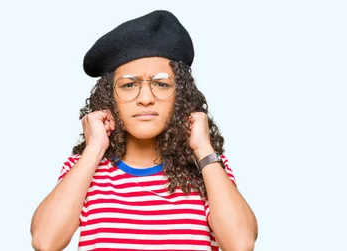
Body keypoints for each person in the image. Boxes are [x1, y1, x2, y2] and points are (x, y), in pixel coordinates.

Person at [30, 10, 258, 251]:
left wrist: (203, 149)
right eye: (129, 85)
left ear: (180, 95)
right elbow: (45, 241)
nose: (146, 98)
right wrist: (94, 148)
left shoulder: (208, 169)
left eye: (161, 84)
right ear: (110, 97)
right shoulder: (84, 169)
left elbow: (240, 244)